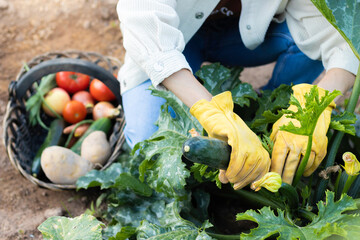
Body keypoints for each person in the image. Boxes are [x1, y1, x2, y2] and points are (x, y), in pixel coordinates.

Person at [116, 0, 359, 189]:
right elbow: (141, 17)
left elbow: (343, 36)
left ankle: (274, 110)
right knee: (146, 142)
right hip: (170, 37)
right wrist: (209, 110)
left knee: (311, 39)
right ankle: (228, 116)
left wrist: (313, 109)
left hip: (243, 37)